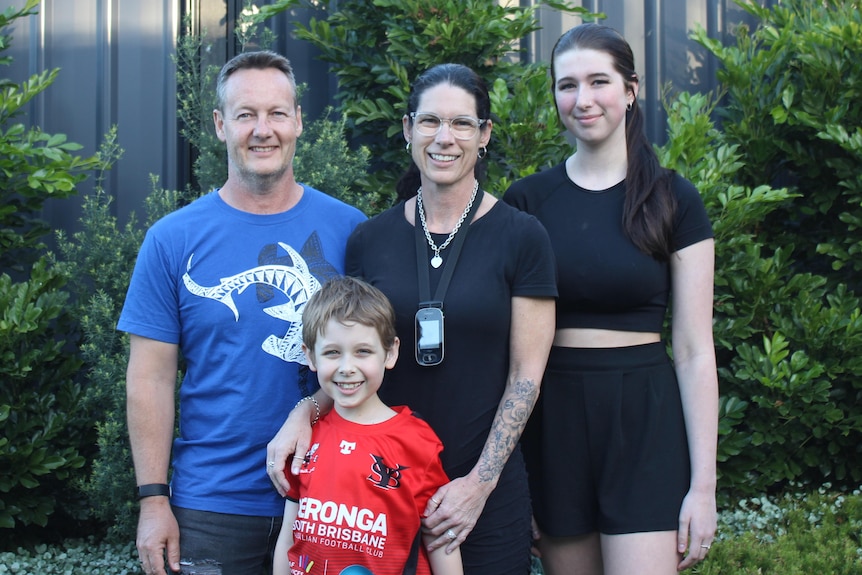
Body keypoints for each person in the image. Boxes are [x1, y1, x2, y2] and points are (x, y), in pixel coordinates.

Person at [266, 63, 558, 574]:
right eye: (430, 122)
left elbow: (526, 376)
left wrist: (478, 485)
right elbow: (350, 355)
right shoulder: (370, 239)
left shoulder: (522, 237)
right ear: (407, 130)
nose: (445, 138)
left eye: (462, 124)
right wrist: (302, 413)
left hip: (481, 494)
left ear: (484, 134)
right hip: (379, 490)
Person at [119, 50, 366, 575]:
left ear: (298, 120)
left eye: (277, 113)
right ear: (220, 125)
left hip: (333, 496)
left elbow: (377, 359)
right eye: (245, 115)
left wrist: (311, 409)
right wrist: (152, 500)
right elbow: (150, 379)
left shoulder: (352, 230)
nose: (263, 130)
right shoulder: (172, 239)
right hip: (212, 504)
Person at [502, 23, 719, 575]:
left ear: (630, 89)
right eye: (567, 85)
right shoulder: (527, 200)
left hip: (643, 415)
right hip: (553, 419)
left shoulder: (674, 198)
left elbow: (695, 351)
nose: (583, 99)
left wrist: (704, 487)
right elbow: (507, 348)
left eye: (599, 81)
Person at [272, 276, 463, 575]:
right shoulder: (306, 439)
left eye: (363, 351)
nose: (347, 367)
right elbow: (289, 535)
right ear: (310, 356)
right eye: (333, 352)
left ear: (390, 352)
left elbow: (439, 538)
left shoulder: (417, 441)